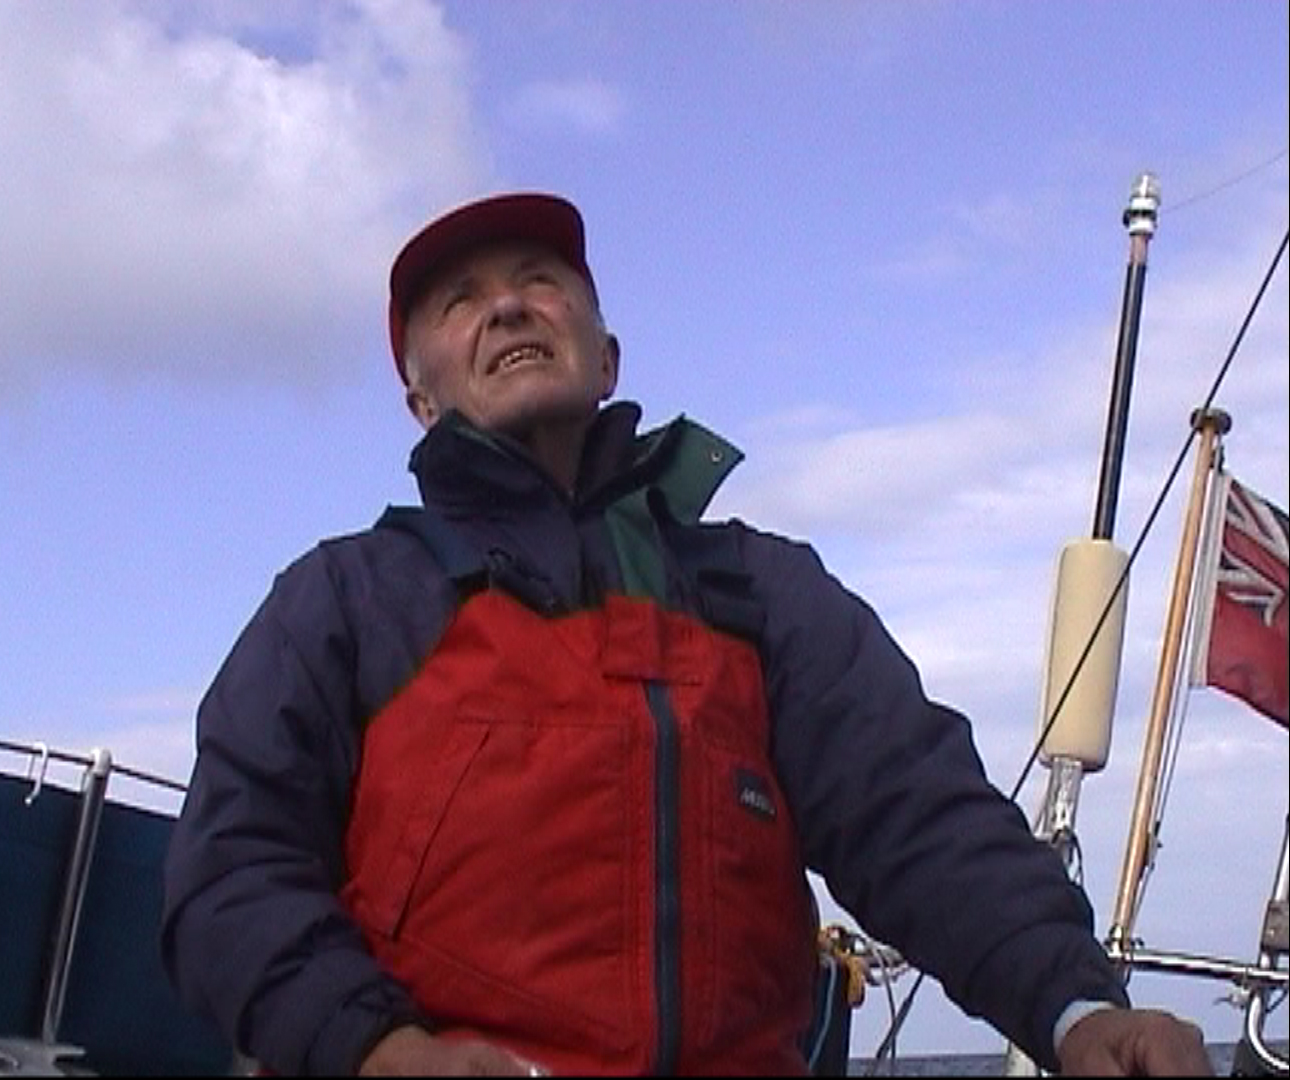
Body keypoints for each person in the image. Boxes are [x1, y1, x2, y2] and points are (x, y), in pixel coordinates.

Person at [160, 192, 1213, 1077]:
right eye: (460, 301)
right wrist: (375, 1050)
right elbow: (229, 875)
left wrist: (1078, 1013)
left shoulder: (761, 593)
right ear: (420, 404)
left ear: (607, 359)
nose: (508, 305)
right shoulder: (339, 602)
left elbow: (919, 820)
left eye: (541, 281)